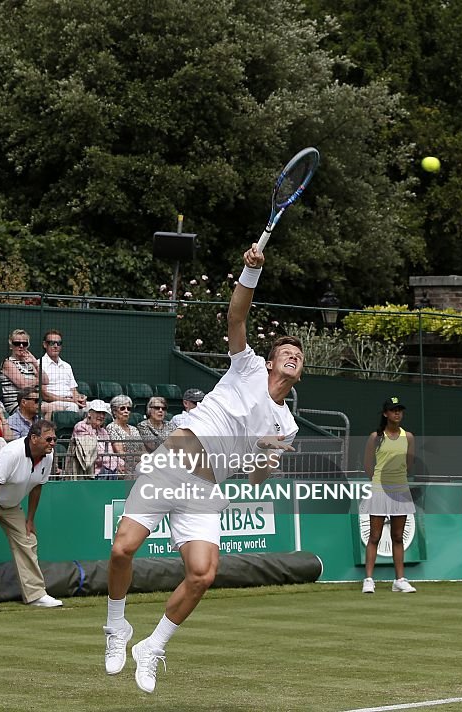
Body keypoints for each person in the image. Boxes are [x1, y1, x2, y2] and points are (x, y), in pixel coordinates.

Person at [103, 244, 302, 694]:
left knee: (203, 574)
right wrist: (249, 273)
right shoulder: (246, 365)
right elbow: (236, 317)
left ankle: (152, 646)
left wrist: (268, 456)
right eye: (286, 351)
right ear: (270, 361)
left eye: (299, 356)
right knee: (122, 550)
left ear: (299, 373)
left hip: (207, 491)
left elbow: (255, 477)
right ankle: (117, 628)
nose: (292, 356)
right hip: (170, 465)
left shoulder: (286, 424)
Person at [0, 419, 63, 612]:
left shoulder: (47, 456)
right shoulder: (12, 453)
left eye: (54, 439)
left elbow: (37, 488)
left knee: (28, 540)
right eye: (48, 439)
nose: (52, 443)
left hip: (9, 504)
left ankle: (36, 595)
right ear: (34, 438)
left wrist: (30, 520)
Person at [361, 397, 417, 594]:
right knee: (374, 536)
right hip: (379, 490)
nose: (397, 413)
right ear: (385, 414)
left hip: (400, 491)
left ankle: (399, 580)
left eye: (400, 410)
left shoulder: (408, 437)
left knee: (397, 536)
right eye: (393, 410)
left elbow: (409, 466)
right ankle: (368, 579)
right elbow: (368, 465)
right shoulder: (375, 437)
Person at [0, 329, 48, 415]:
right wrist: (37, 381)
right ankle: (40, 428)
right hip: (17, 405)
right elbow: (24, 385)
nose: (21, 346)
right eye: (17, 343)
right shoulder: (8, 363)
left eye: (24, 344)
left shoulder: (30, 363)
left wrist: (35, 363)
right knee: (52, 408)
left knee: (60, 408)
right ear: (11, 346)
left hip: (35, 402)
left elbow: (46, 380)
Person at [71, 399, 126, 477]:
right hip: (88, 472)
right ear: (89, 413)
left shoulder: (103, 431)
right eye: (98, 412)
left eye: (103, 413)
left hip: (106, 470)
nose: (102, 416)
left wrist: (122, 464)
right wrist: (115, 465)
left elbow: (110, 452)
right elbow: (93, 453)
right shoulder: (81, 427)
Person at [40, 329, 87, 412]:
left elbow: (73, 390)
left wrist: (79, 398)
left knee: (99, 405)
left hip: (71, 401)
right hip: (53, 403)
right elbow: (44, 395)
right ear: (45, 344)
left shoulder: (67, 366)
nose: (55, 346)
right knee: (73, 407)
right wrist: (70, 401)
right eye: (51, 343)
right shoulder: (39, 364)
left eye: (58, 343)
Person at [106, 394, 143, 475]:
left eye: (128, 408)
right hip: (124, 466)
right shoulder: (112, 427)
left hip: (140, 464)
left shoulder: (134, 429)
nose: (126, 411)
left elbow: (142, 449)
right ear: (114, 411)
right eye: (122, 408)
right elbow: (120, 453)